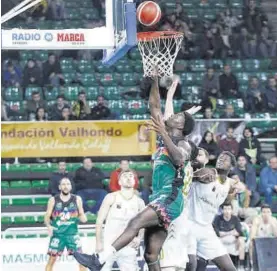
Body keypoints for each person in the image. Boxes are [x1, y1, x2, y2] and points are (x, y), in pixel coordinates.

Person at [73, 72, 201, 270]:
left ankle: (98, 260)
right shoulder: (165, 134)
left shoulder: (183, 143)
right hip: (160, 197)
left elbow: (178, 159)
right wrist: (155, 82)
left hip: (170, 199)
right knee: (151, 254)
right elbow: (154, 106)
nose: (173, 115)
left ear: (182, 126)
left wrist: (162, 132)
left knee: (134, 222)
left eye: (178, 116)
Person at [186, 151, 238, 271]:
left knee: (230, 269)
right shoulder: (208, 173)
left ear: (231, 166)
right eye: (220, 157)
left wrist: (231, 194)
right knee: (191, 265)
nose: (221, 160)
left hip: (206, 229)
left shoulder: (228, 184)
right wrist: (194, 175)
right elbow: (187, 176)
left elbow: (223, 201)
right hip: (189, 224)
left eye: (225, 159)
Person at [160, 148, 210, 271]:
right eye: (196, 155)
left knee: (197, 261)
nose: (197, 157)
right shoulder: (183, 169)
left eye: (200, 155)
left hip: (198, 222)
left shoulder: (208, 175)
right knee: (183, 261)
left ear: (207, 159)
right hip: (180, 218)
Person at [96, 170, 145, 271]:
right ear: (119, 182)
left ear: (135, 181)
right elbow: (99, 221)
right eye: (125, 176)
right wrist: (98, 242)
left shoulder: (139, 202)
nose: (128, 178)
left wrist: (139, 238)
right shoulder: (111, 197)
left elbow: (143, 223)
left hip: (128, 245)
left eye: (131, 176)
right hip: (108, 244)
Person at [44, 177, 87, 271]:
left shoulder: (77, 199)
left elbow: (81, 215)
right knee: (51, 260)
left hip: (72, 234)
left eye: (68, 184)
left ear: (71, 187)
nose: (65, 186)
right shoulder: (53, 200)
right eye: (63, 184)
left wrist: (83, 217)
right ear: (59, 187)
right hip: (57, 234)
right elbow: (47, 216)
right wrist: (48, 226)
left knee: (82, 260)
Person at [213, 203, 246, 270]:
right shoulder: (217, 218)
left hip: (233, 241)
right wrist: (230, 232)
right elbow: (217, 233)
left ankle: (241, 265)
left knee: (241, 240)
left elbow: (240, 232)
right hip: (221, 241)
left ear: (231, 210)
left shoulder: (235, 219)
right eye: (225, 209)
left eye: (229, 209)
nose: (227, 211)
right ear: (222, 210)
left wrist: (224, 233)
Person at [249, 204, 277, 268]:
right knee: (251, 244)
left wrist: (272, 224)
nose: (266, 214)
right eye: (264, 212)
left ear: (271, 213)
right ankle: (252, 263)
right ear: (261, 213)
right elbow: (252, 236)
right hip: (259, 242)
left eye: (268, 212)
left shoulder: (274, 220)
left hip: (270, 241)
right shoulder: (257, 220)